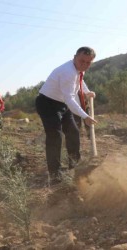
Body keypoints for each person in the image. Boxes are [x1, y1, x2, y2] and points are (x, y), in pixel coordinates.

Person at [35, 46, 98, 185]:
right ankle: (55, 175)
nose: (85, 65)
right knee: (55, 137)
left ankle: (74, 166)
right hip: (47, 104)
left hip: (61, 104)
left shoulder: (78, 69)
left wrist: (86, 92)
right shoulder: (68, 72)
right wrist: (85, 116)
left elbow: (79, 82)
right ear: (75, 57)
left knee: (73, 132)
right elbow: (70, 98)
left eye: (88, 63)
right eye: (82, 61)